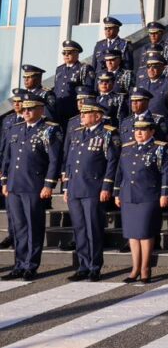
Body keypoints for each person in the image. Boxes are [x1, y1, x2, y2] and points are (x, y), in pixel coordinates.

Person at [1, 94, 62, 280]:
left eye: (30, 109)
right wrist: (4, 180)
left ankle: (31, 265)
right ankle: (19, 264)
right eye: (24, 109)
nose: (26, 112)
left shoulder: (49, 130)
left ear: (40, 109)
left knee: (33, 227)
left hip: (34, 185)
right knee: (18, 228)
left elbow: (54, 160)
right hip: (14, 185)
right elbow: (7, 158)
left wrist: (49, 184)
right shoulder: (15, 129)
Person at [62, 98, 119, 282]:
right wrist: (66, 187)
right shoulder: (77, 133)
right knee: (79, 228)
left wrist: (106, 186)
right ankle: (83, 265)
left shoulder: (107, 134)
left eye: (86, 114)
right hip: (75, 188)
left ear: (97, 116)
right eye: (82, 113)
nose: (82, 116)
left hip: (93, 188)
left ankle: (95, 266)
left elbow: (112, 162)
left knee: (93, 229)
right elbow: (70, 162)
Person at [114, 119, 168, 283]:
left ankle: (146, 267)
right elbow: (119, 172)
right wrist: (117, 193)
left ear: (152, 131)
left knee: (145, 232)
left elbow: (166, 173)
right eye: (136, 129)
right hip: (129, 195)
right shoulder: (127, 148)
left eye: (143, 129)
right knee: (132, 234)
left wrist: (165, 193)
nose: (139, 133)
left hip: (148, 195)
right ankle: (135, 268)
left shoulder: (159, 148)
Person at [54, 40, 96, 123]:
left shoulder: (84, 68)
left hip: (74, 109)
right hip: (59, 109)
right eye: (64, 53)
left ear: (76, 54)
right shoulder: (59, 69)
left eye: (69, 53)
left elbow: (88, 91)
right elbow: (57, 89)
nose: (66, 55)